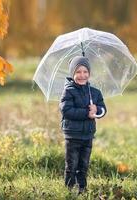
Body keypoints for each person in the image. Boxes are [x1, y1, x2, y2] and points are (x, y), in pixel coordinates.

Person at [59, 56, 107, 194]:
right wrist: (87, 112)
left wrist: (96, 110)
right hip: (73, 135)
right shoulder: (68, 90)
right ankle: (69, 189)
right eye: (78, 72)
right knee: (72, 164)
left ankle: (82, 189)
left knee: (84, 164)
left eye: (85, 72)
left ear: (89, 73)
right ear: (72, 74)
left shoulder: (95, 92)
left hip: (88, 134)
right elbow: (66, 110)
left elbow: (103, 110)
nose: (82, 75)